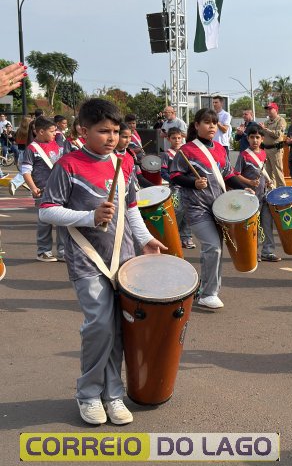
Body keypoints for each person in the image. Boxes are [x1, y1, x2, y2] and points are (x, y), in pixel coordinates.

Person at [39, 98, 166, 425]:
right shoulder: (68, 165)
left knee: (120, 328)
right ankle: (88, 393)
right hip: (86, 259)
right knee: (99, 325)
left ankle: (113, 394)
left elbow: (132, 208)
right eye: (103, 131)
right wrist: (88, 216)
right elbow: (47, 210)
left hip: (123, 257)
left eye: (115, 131)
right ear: (83, 131)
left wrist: (145, 239)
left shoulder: (124, 164)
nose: (111, 138)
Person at [169, 108, 247, 309]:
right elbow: (175, 175)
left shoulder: (220, 149)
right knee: (213, 247)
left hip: (219, 208)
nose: (212, 126)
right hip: (197, 207)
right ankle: (208, 294)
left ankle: (207, 289)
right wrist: (193, 183)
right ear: (196, 125)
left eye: (214, 122)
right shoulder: (186, 150)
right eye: (206, 122)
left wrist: (243, 188)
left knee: (216, 250)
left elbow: (228, 175)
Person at [21, 116, 65, 262]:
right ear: (41, 132)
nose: (55, 133)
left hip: (60, 189)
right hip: (43, 190)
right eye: (52, 131)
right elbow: (26, 171)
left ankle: (63, 251)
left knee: (63, 220)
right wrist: (33, 188)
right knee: (45, 222)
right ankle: (43, 251)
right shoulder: (32, 149)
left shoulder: (56, 144)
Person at [234, 125, 281, 262]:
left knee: (267, 224)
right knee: (252, 226)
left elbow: (264, 174)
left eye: (258, 137)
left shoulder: (264, 153)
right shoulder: (243, 155)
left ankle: (267, 251)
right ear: (248, 139)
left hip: (264, 195)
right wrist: (249, 182)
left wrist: (268, 182)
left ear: (262, 139)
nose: (255, 140)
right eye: (252, 137)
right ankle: (253, 252)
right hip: (250, 197)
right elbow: (236, 174)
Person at [160, 127, 194, 249]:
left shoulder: (185, 152)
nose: (177, 140)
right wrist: (174, 179)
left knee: (187, 211)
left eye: (179, 138)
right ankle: (173, 235)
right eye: (174, 138)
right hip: (175, 187)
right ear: (169, 139)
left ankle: (187, 237)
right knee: (177, 210)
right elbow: (163, 172)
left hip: (187, 186)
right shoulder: (166, 154)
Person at [259, 102, 287, 188]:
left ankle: (282, 191)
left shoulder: (281, 120)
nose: (268, 110)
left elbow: (278, 134)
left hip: (276, 149)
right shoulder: (266, 122)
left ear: (276, 110)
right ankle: (272, 191)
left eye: (270, 109)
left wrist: (265, 129)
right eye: (267, 109)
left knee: (278, 172)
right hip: (266, 149)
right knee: (268, 174)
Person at [9, 116, 32, 196]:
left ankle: (28, 184)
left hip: (21, 152)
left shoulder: (19, 130)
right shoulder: (29, 131)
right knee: (27, 171)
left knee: (25, 170)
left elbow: (16, 141)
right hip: (28, 152)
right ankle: (15, 182)